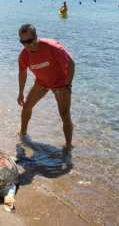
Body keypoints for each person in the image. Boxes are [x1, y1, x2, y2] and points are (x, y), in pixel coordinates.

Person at [17, 24, 75, 152]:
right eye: (23, 42)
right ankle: (23, 134)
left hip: (61, 84)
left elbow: (71, 63)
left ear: (36, 37)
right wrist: (20, 92)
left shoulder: (52, 47)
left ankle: (68, 146)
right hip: (42, 83)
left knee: (64, 114)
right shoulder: (24, 55)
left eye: (29, 41)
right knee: (27, 106)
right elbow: (22, 73)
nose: (26, 45)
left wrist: (67, 84)